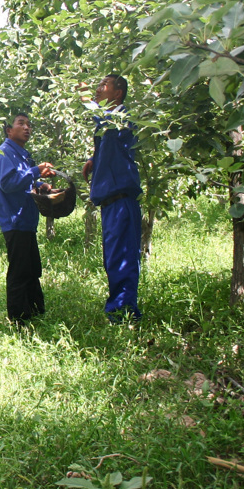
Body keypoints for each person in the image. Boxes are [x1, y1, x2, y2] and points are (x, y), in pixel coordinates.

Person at [82, 75, 143, 323]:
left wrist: (85, 97)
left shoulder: (121, 117)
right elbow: (111, 149)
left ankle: (123, 313)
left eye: (103, 86)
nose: (97, 89)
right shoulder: (107, 125)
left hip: (121, 201)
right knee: (114, 258)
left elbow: (109, 125)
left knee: (122, 258)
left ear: (117, 94)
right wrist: (94, 160)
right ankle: (120, 309)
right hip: (111, 203)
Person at [0, 113, 56, 326]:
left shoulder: (21, 155)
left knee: (31, 269)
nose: (27, 128)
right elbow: (8, 183)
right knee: (19, 271)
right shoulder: (3, 152)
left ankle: (36, 311)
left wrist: (40, 185)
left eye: (29, 124)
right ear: (9, 130)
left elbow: (24, 183)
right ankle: (19, 320)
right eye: (21, 124)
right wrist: (35, 171)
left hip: (26, 220)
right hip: (14, 220)